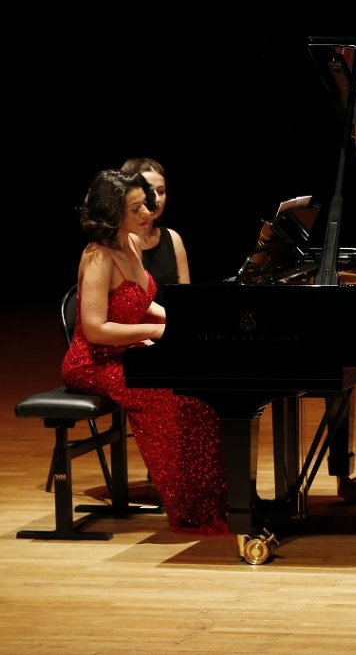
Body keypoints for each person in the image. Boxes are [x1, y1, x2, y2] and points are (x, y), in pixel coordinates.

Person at [61, 169, 228, 535]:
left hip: (125, 353)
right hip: (94, 362)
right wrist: (158, 330)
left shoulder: (132, 244)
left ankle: (214, 501)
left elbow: (143, 302)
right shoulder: (98, 258)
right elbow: (94, 328)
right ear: (113, 212)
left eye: (146, 206)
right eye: (136, 208)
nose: (146, 214)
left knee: (200, 397)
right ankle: (187, 508)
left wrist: (184, 321)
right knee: (170, 399)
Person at [120, 157, 189, 304]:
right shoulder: (116, 241)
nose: (156, 199)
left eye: (161, 191)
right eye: (149, 191)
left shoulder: (173, 238)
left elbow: (186, 299)